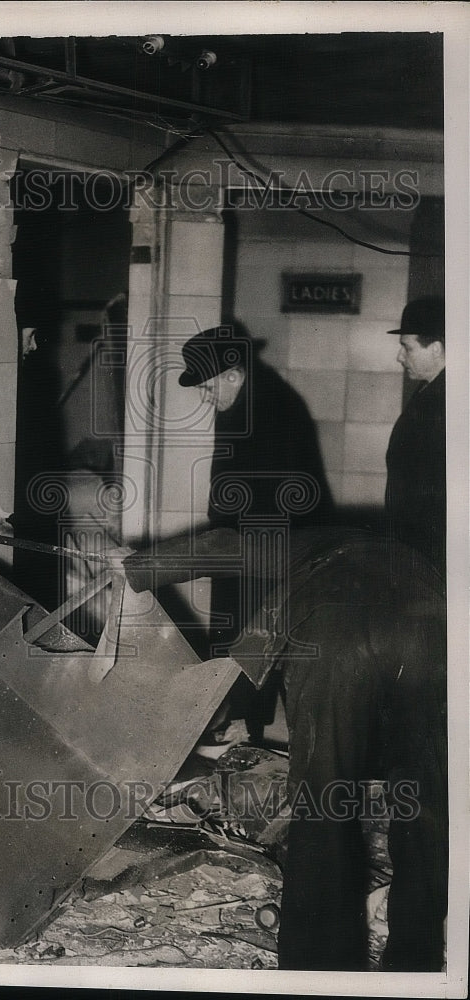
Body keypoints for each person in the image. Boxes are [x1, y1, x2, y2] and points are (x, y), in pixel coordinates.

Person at [123, 524, 447, 971]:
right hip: (432, 638)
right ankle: (418, 961)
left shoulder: (324, 542)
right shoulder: (425, 559)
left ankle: (318, 966)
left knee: (323, 801)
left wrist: (134, 568)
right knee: (425, 801)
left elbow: (227, 546)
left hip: (334, 637)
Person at [177, 325, 334, 742]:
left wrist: (225, 546)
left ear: (233, 373)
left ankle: (243, 727)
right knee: (244, 636)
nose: (205, 397)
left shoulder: (270, 408)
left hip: (267, 550)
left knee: (253, 636)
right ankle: (242, 722)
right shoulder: (246, 401)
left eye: (209, 388)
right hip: (247, 547)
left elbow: (278, 498)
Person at [385, 297, 446, 574]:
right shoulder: (429, 390)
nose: (400, 356)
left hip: (430, 555)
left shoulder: (445, 400)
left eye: (406, 347)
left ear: (436, 349)